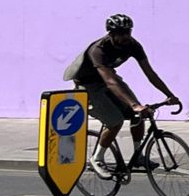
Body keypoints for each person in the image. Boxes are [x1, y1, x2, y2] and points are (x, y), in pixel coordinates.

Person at [71, 14, 179, 176]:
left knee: (138, 116)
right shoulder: (98, 50)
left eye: (128, 32)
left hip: (111, 80)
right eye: (121, 33)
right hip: (88, 86)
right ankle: (97, 158)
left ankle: (137, 157)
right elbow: (110, 81)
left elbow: (150, 73)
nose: (125, 37)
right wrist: (134, 105)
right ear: (111, 34)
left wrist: (169, 95)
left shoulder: (133, 45)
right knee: (115, 121)